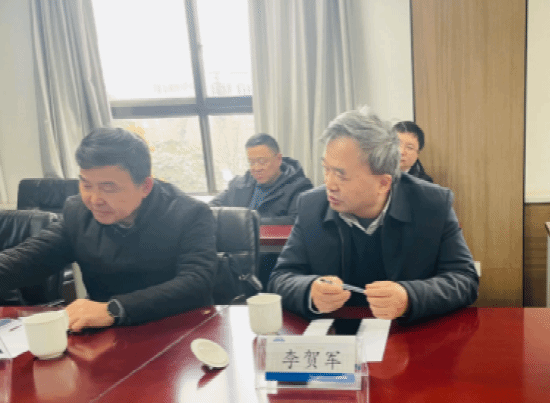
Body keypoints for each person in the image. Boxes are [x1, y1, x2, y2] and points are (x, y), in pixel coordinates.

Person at [267, 107, 479, 323]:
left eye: (341, 175)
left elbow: (464, 279)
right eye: (326, 169)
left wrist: (409, 297)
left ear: (383, 183)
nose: (329, 184)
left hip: (409, 332)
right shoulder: (311, 205)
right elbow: (280, 278)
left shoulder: (432, 204)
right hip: (337, 334)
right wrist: (309, 290)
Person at [0, 128, 217, 331]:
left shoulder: (190, 213)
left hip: (178, 330)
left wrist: (114, 309)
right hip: (106, 335)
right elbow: (30, 258)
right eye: (86, 185)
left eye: (108, 187)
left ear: (145, 186)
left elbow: (197, 282)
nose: (94, 199)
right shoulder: (78, 212)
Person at [210, 133, 313, 220]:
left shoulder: (300, 189)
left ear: (278, 159)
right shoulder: (237, 184)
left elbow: (296, 226)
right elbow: (210, 210)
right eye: (251, 162)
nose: (256, 168)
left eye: (262, 161)